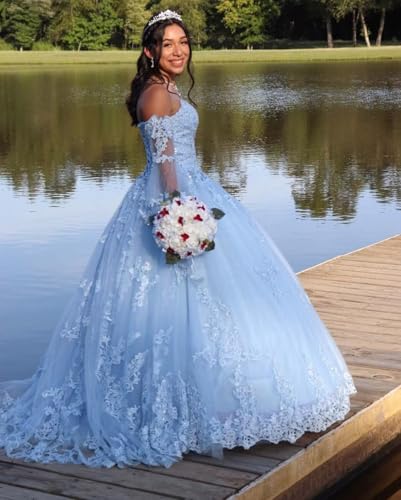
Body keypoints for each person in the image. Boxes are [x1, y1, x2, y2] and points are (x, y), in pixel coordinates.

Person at [0, 10, 356, 469]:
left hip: (194, 188)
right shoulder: (155, 94)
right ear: (150, 51)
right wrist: (180, 216)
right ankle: (182, 409)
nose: (178, 50)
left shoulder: (166, 88)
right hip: (174, 197)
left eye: (183, 42)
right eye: (168, 44)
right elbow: (166, 166)